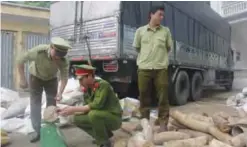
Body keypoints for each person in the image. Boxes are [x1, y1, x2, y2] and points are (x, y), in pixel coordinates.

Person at [17, 37, 71, 142]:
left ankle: (50, 130)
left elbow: (64, 77)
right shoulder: (38, 51)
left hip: (51, 79)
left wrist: (60, 93)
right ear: (51, 47)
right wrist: (22, 79)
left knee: (52, 105)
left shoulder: (63, 60)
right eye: (56, 55)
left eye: (61, 56)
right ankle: (37, 131)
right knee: (35, 104)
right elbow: (20, 60)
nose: (58, 59)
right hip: (35, 77)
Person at [58, 64, 122, 147]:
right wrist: (66, 111)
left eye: (81, 79)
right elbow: (85, 108)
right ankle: (102, 137)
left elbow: (96, 105)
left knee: (93, 114)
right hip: (102, 116)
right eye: (79, 80)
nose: (80, 82)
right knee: (75, 119)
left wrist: (72, 109)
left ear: (90, 76)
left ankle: (104, 143)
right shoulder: (87, 89)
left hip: (114, 119)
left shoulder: (103, 85)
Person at [132, 6, 173, 132]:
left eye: (162, 15)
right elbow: (137, 48)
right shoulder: (140, 31)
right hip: (144, 68)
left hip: (161, 69)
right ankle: (144, 122)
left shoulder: (165, 31)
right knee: (144, 96)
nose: (162, 17)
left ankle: (163, 123)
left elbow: (168, 48)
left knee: (163, 97)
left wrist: (159, 59)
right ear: (151, 14)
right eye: (159, 14)